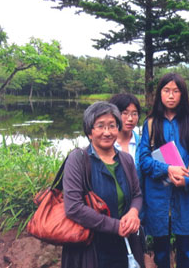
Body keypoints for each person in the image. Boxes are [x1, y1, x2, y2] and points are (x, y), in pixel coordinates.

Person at [61, 101, 143, 268]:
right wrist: (115, 226)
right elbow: (73, 207)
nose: (107, 132)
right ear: (89, 132)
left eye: (112, 126)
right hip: (91, 246)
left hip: (124, 244)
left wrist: (134, 212)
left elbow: (137, 194)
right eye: (100, 126)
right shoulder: (78, 160)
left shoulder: (126, 160)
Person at [138, 72, 189, 268]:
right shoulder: (150, 124)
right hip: (158, 196)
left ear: (182, 95)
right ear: (160, 94)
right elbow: (144, 160)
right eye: (166, 91)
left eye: (176, 91)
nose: (171, 95)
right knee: (160, 253)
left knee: (187, 252)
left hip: (186, 194)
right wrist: (168, 169)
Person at [109, 93, 141, 165]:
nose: (130, 119)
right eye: (125, 113)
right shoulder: (105, 143)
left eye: (134, 114)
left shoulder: (142, 143)